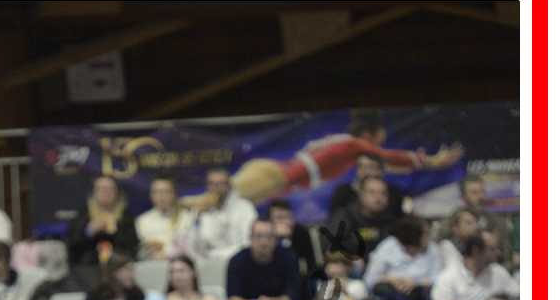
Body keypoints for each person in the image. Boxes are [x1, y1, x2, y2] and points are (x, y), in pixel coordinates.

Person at [195, 110, 462, 206]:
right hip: (273, 175)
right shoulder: (354, 144)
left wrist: (425, 164)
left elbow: (388, 164)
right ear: (369, 133)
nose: (379, 144)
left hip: (275, 179)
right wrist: (431, 161)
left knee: (222, 206)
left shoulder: (347, 148)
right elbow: (388, 156)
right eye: (379, 137)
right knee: (212, 202)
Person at [363, 215, 441, 300]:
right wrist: (392, 280)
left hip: (421, 293)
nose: (428, 237)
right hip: (391, 290)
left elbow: (438, 279)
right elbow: (369, 279)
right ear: (413, 235)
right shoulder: (388, 246)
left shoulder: (433, 250)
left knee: (422, 295)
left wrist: (416, 283)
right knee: (385, 292)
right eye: (425, 234)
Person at [430, 232, 518, 300]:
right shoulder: (447, 277)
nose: (498, 253)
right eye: (492, 249)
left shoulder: (499, 273)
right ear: (476, 251)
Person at [226, 218, 302, 300]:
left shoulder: (288, 257)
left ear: (275, 239)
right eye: (259, 236)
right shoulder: (237, 261)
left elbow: (291, 296)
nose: (264, 242)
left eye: (269, 237)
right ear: (250, 238)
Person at [66, 175, 138, 282]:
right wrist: (89, 231)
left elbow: (131, 246)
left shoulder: (125, 215)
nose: (105, 192)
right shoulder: (84, 214)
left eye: (110, 189)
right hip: (88, 267)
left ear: (117, 192)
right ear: (94, 192)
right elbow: (72, 245)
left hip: (118, 267)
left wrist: (115, 232)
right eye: (101, 189)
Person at [184, 167, 256, 261]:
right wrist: (197, 220)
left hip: (238, 260)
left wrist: (219, 255)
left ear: (229, 185)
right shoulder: (201, 210)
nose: (216, 188)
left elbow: (248, 242)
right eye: (212, 184)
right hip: (209, 262)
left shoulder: (245, 207)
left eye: (220, 183)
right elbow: (195, 248)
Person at [327, 174, 399, 257]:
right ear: (361, 195)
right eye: (372, 192)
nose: (378, 198)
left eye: (383, 193)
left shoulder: (391, 220)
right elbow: (331, 249)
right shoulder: (345, 216)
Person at [328, 150, 405, 219]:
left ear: (381, 171)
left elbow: (398, 220)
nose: (364, 171)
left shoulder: (394, 193)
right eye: (361, 166)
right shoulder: (343, 192)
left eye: (370, 167)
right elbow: (334, 220)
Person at [135, 176, 194, 260]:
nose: (161, 196)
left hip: (182, 263)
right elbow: (147, 249)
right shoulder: (142, 221)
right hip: (154, 264)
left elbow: (189, 245)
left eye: (166, 191)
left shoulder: (188, 217)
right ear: (151, 195)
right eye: (156, 192)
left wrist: (165, 249)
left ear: (174, 194)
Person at [437, 206, 479, 274]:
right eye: (468, 223)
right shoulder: (447, 246)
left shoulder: (477, 247)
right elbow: (452, 272)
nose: (475, 227)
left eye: (475, 222)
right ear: (455, 228)